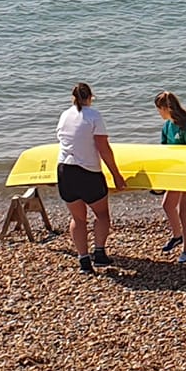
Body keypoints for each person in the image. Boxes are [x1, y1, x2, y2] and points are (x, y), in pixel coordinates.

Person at [55, 82, 127, 274]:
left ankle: (84, 260)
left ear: (73, 98)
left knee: (78, 219)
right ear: (90, 97)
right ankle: (100, 254)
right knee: (101, 214)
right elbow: (103, 148)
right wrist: (116, 175)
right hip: (87, 172)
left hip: (64, 171)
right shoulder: (94, 116)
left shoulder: (64, 115)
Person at [154, 91, 186, 263]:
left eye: (160, 109)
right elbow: (164, 150)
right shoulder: (167, 126)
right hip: (174, 174)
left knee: (184, 212)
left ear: (167, 108)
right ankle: (177, 235)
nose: (159, 113)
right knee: (167, 205)